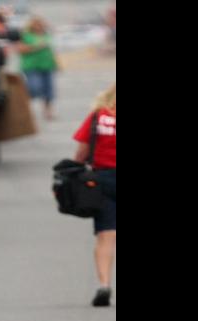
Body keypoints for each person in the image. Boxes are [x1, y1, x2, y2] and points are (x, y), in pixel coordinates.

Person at [72, 83, 115, 306]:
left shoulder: (99, 117)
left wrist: (73, 174)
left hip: (103, 179)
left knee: (106, 236)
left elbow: (82, 152)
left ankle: (104, 284)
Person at [17, 16, 57, 121]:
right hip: (31, 66)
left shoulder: (47, 35)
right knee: (34, 87)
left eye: (41, 24)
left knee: (48, 90)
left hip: (47, 65)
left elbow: (51, 48)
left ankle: (48, 111)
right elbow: (21, 49)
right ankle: (24, 105)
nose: (39, 27)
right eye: (37, 24)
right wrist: (37, 46)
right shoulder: (26, 36)